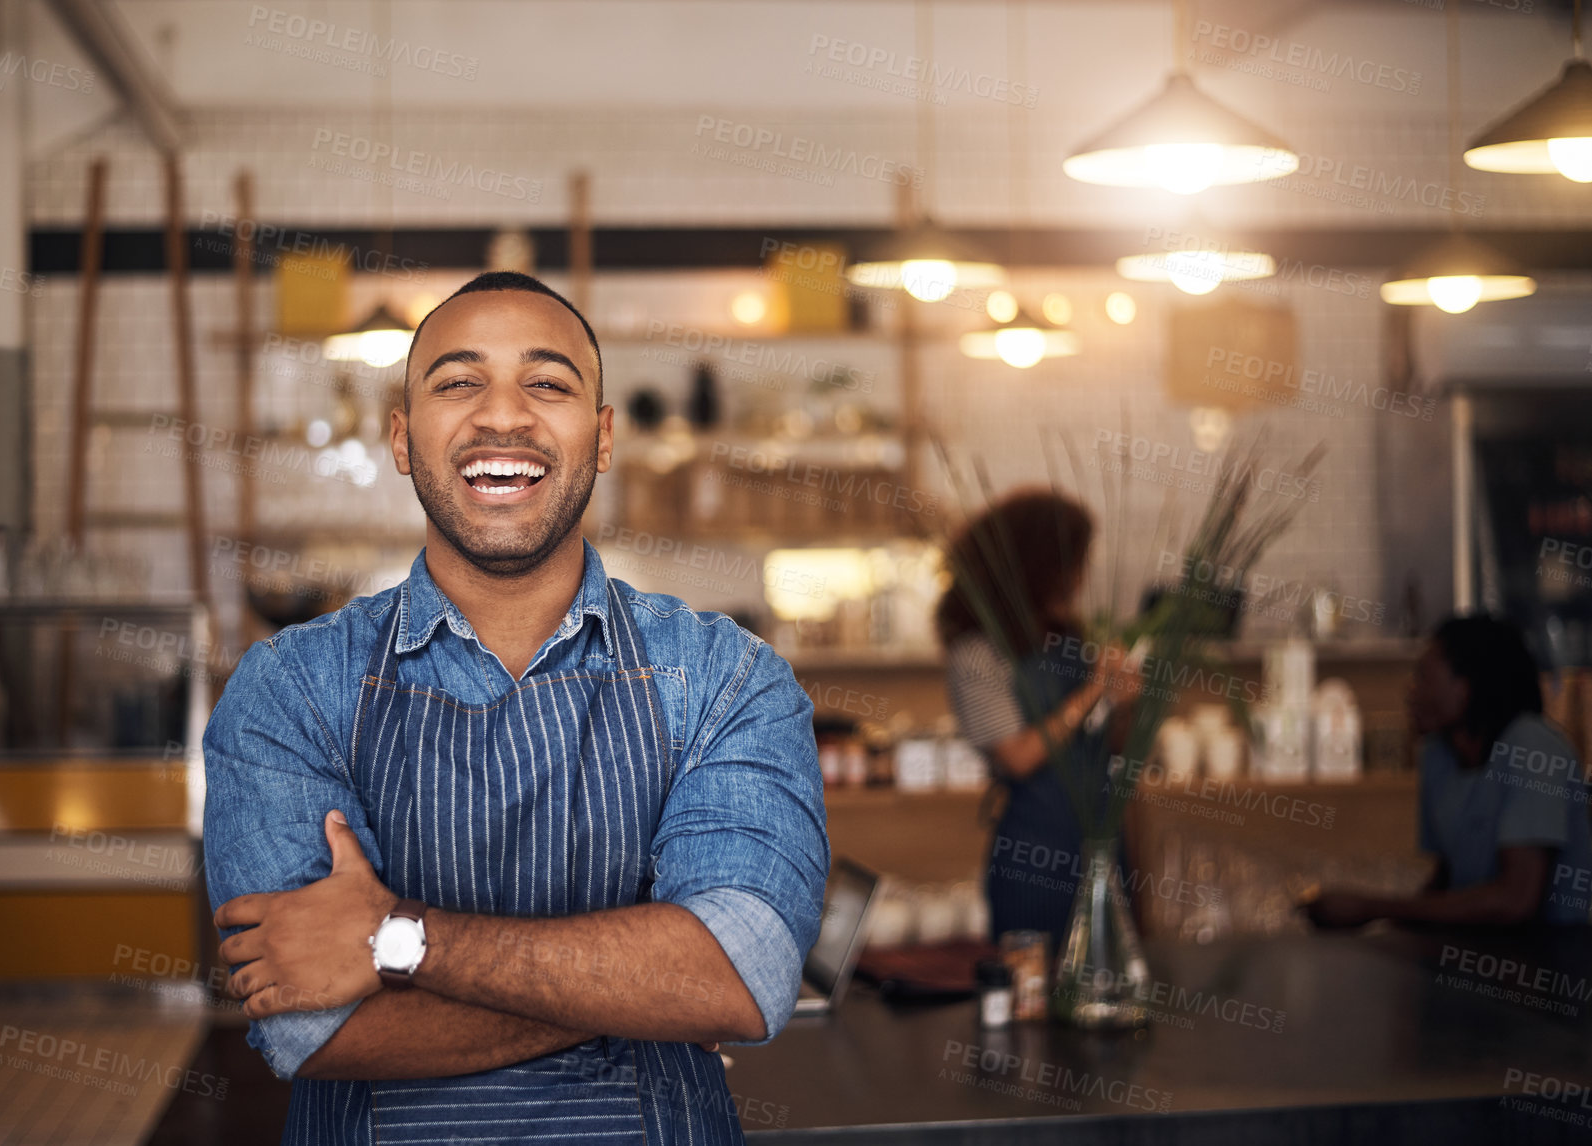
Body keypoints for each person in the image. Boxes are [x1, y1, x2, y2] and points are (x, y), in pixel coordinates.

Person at [203, 271, 829, 1145]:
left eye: (548, 383)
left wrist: (397, 941)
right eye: (458, 382)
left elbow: (741, 976)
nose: (503, 417)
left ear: (602, 437)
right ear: (400, 436)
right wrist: (650, 986)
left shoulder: (727, 678)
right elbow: (311, 1028)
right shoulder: (289, 690)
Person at [937, 489, 1141, 945]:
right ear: (1042, 567)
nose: (1082, 577)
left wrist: (1125, 704)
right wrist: (1093, 691)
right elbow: (1019, 756)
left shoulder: (1069, 638)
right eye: (1075, 563)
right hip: (1035, 854)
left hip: (1104, 845)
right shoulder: (979, 653)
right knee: (1032, 993)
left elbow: (1109, 747)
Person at [1308, 614, 1592, 929]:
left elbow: (1516, 901)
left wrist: (1371, 907)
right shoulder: (1438, 756)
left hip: (1550, 964)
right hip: (1478, 953)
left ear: (1465, 686)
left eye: (1424, 677)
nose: (1411, 691)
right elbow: (1447, 880)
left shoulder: (1533, 749)